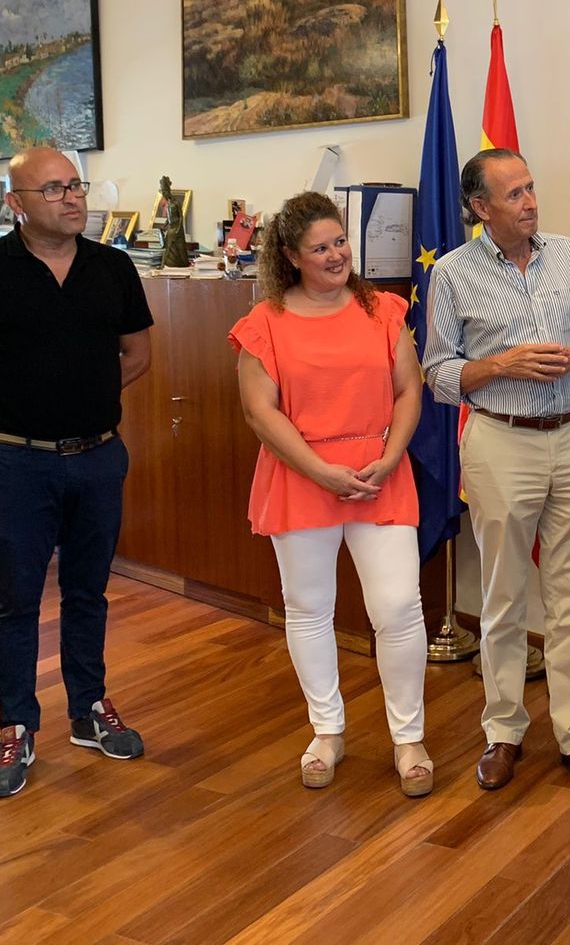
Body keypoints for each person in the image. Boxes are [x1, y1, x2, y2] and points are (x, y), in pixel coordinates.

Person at [0, 146, 153, 799]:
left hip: (98, 457)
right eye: (52, 189)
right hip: (17, 463)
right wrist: (5, 412)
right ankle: (17, 724)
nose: (71, 197)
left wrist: (82, 399)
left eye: (75, 185)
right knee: (17, 600)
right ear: (15, 205)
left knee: (88, 591)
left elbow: (137, 354)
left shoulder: (112, 267)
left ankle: (88, 708)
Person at [422, 148, 570, 797]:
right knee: (504, 598)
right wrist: (502, 365)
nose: (531, 202)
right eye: (514, 194)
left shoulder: (569, 256)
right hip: (501, 442)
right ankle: (503, 732)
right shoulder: (452, 273)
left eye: (531, 188)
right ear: (480, 207)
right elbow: (438, 373)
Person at [230, 191, 432, 796]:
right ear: (291, 257)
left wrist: (390, 458)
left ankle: (409, 738)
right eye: (320, 248)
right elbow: (260, 413)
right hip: (302, 475)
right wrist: (320, 471)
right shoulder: (264, 322)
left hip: (378, 474)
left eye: (340, 241)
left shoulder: (383, 310)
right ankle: (327, 731)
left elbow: (409, 390)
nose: (336, 254)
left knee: (398, 606)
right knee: (309, 608)